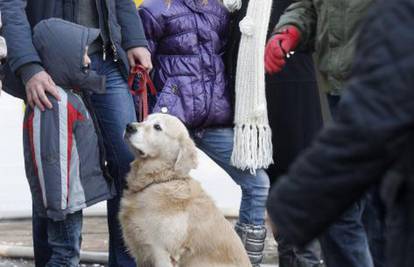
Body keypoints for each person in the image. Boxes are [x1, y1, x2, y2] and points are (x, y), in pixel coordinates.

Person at [0, 0, 152, 266]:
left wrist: (135, 39)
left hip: (106, 58)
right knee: (53, 171)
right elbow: (11, 7)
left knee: (129, 162)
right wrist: (29, 67)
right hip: (50, 62)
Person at [266, 1, 414, 267]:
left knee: (373, 205)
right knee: (345, 210)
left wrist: (292, 204)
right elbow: (312, 5)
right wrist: (290, 29)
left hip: (377, 84)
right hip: (339, 84)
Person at [139, 0, 270, 266]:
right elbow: (140, 72)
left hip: (213, 121)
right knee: (157, 197)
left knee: (258, 184)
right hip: (172, 125)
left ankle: (243, 260)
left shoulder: (219, 12)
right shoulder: (155, 11)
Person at [225, 0, 323, 266]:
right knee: (267, 187)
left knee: (296, 186)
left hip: (293, 90)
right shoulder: (234, 5)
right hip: (249, 104)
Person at [19, 18, 115, 266]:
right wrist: (58, 205)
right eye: (82, 54)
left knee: (67, 250)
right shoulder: (56, 103)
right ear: (61, 57)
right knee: (65, 255)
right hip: (64, 202)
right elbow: (52, 157)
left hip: (67, 198)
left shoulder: (68, 96)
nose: (87, 60)